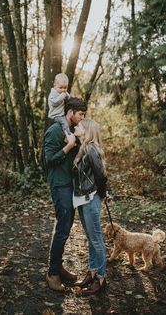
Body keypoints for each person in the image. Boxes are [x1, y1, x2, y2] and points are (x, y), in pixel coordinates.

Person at [44, 97, 87, 292]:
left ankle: (57, 266)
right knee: (62, 228)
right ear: (70, 112)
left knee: (66, 227)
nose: (82, 118)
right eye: (80, 114)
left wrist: (79, 140)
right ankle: (52, 274)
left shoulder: (71, 130)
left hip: (70, 185)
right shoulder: (54, 131)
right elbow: (49, 161)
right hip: (59, 185)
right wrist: (68, 146)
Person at [73, 119, 108, 296]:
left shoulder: (91, 148)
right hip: (81, 199)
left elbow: (100, 176)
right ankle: (92, 272)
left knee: (96, 239)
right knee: (90, 238)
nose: (75, 127)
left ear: (87, 131)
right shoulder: (82, 148)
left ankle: (101, 278)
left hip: (91, 198)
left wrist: (103, 195)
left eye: (79, 126)